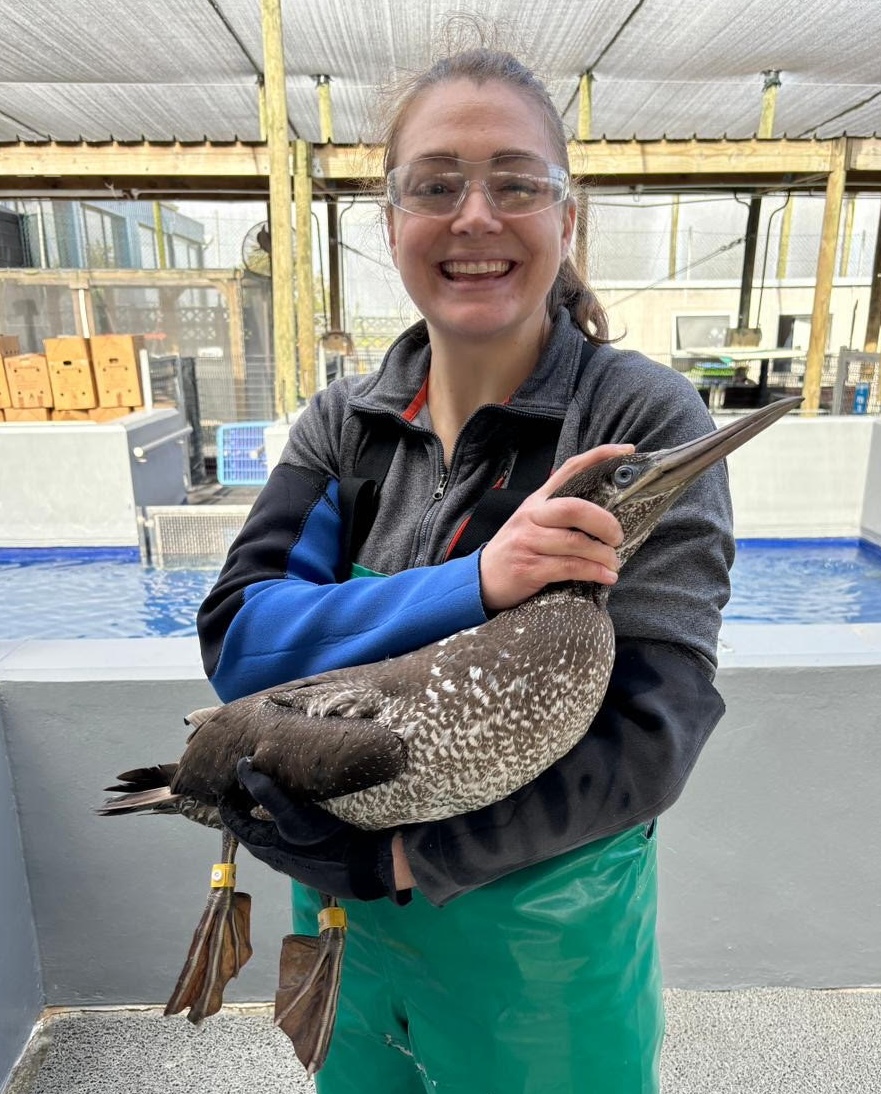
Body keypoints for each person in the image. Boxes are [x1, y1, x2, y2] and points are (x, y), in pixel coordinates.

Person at [195, 45, 733, 1094]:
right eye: (436, 184)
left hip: (546, 944)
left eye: (516, 183)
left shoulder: (636, 421)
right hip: (344, 925)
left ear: (564, 217)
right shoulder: (340, 425)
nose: (475, 216)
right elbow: (242, 640)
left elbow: (656, 727)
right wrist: (480, 581)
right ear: (390, 219)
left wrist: (404, 859)